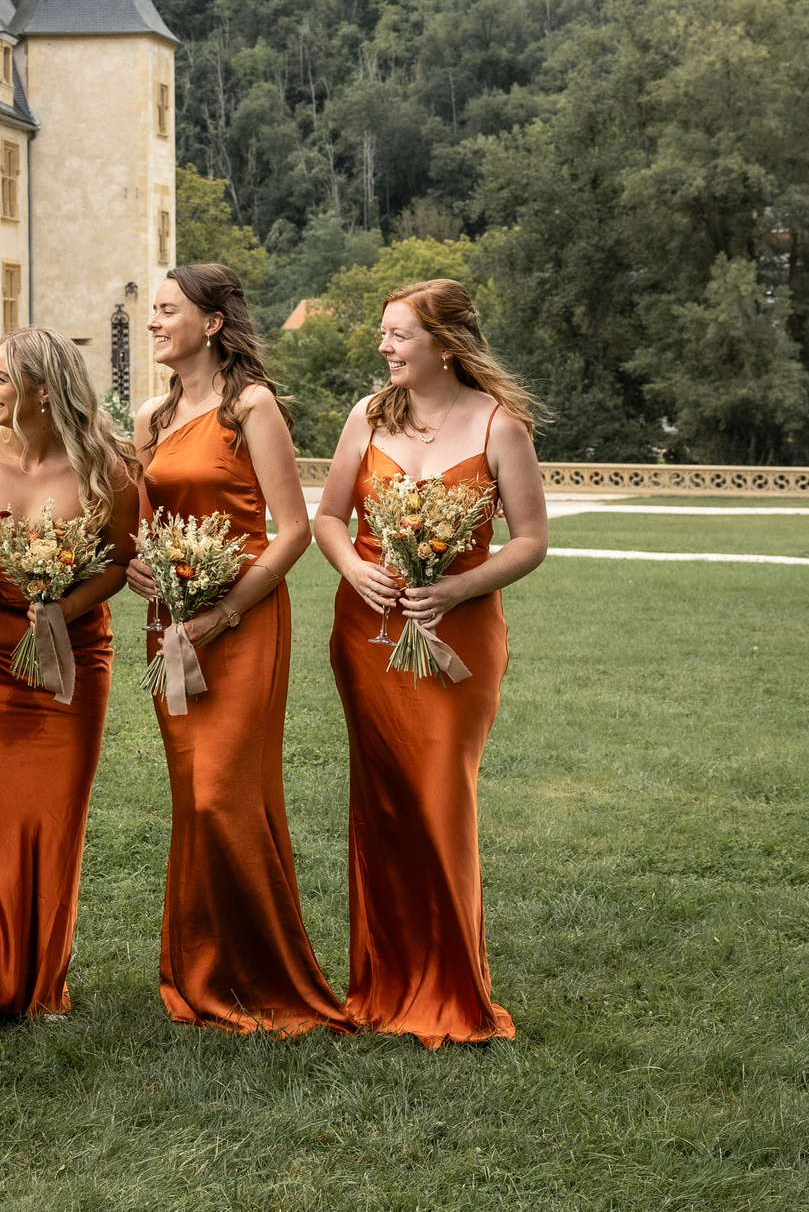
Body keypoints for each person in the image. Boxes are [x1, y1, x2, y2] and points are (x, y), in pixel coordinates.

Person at [311, 278, 548, 1048]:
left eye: (398, 335)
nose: (384, 347)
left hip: (460, 641)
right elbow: (329, 516)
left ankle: (453, 988)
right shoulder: (367, 417)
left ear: (444, 345)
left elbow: (529, 540)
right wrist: (352, 566)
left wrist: (457, 585)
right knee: (381, 805)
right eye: (384, 334)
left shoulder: (499, 426)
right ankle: (380, 983)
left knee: (441, 797)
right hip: (367, 635)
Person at [124, 264, 352, 1037]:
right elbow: (146, 523)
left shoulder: (251, 406)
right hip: (170, 622)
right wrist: (140, 568)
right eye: (151, 311)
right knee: (193, 798)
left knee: (228, 794)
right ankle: (198, 969)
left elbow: (293, 529)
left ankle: (266, 977)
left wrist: (221, 613)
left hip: (242, 621)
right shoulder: (151, 415)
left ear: (212, 322)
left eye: (166, 311)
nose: (153, 322)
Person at [0, 327, 139, 1040]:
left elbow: (117, 563)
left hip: (70, 654)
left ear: (45, 392)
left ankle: (44, 980)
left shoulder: (107, 467)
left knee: (54, 815)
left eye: (1, 379)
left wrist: (62, 606)